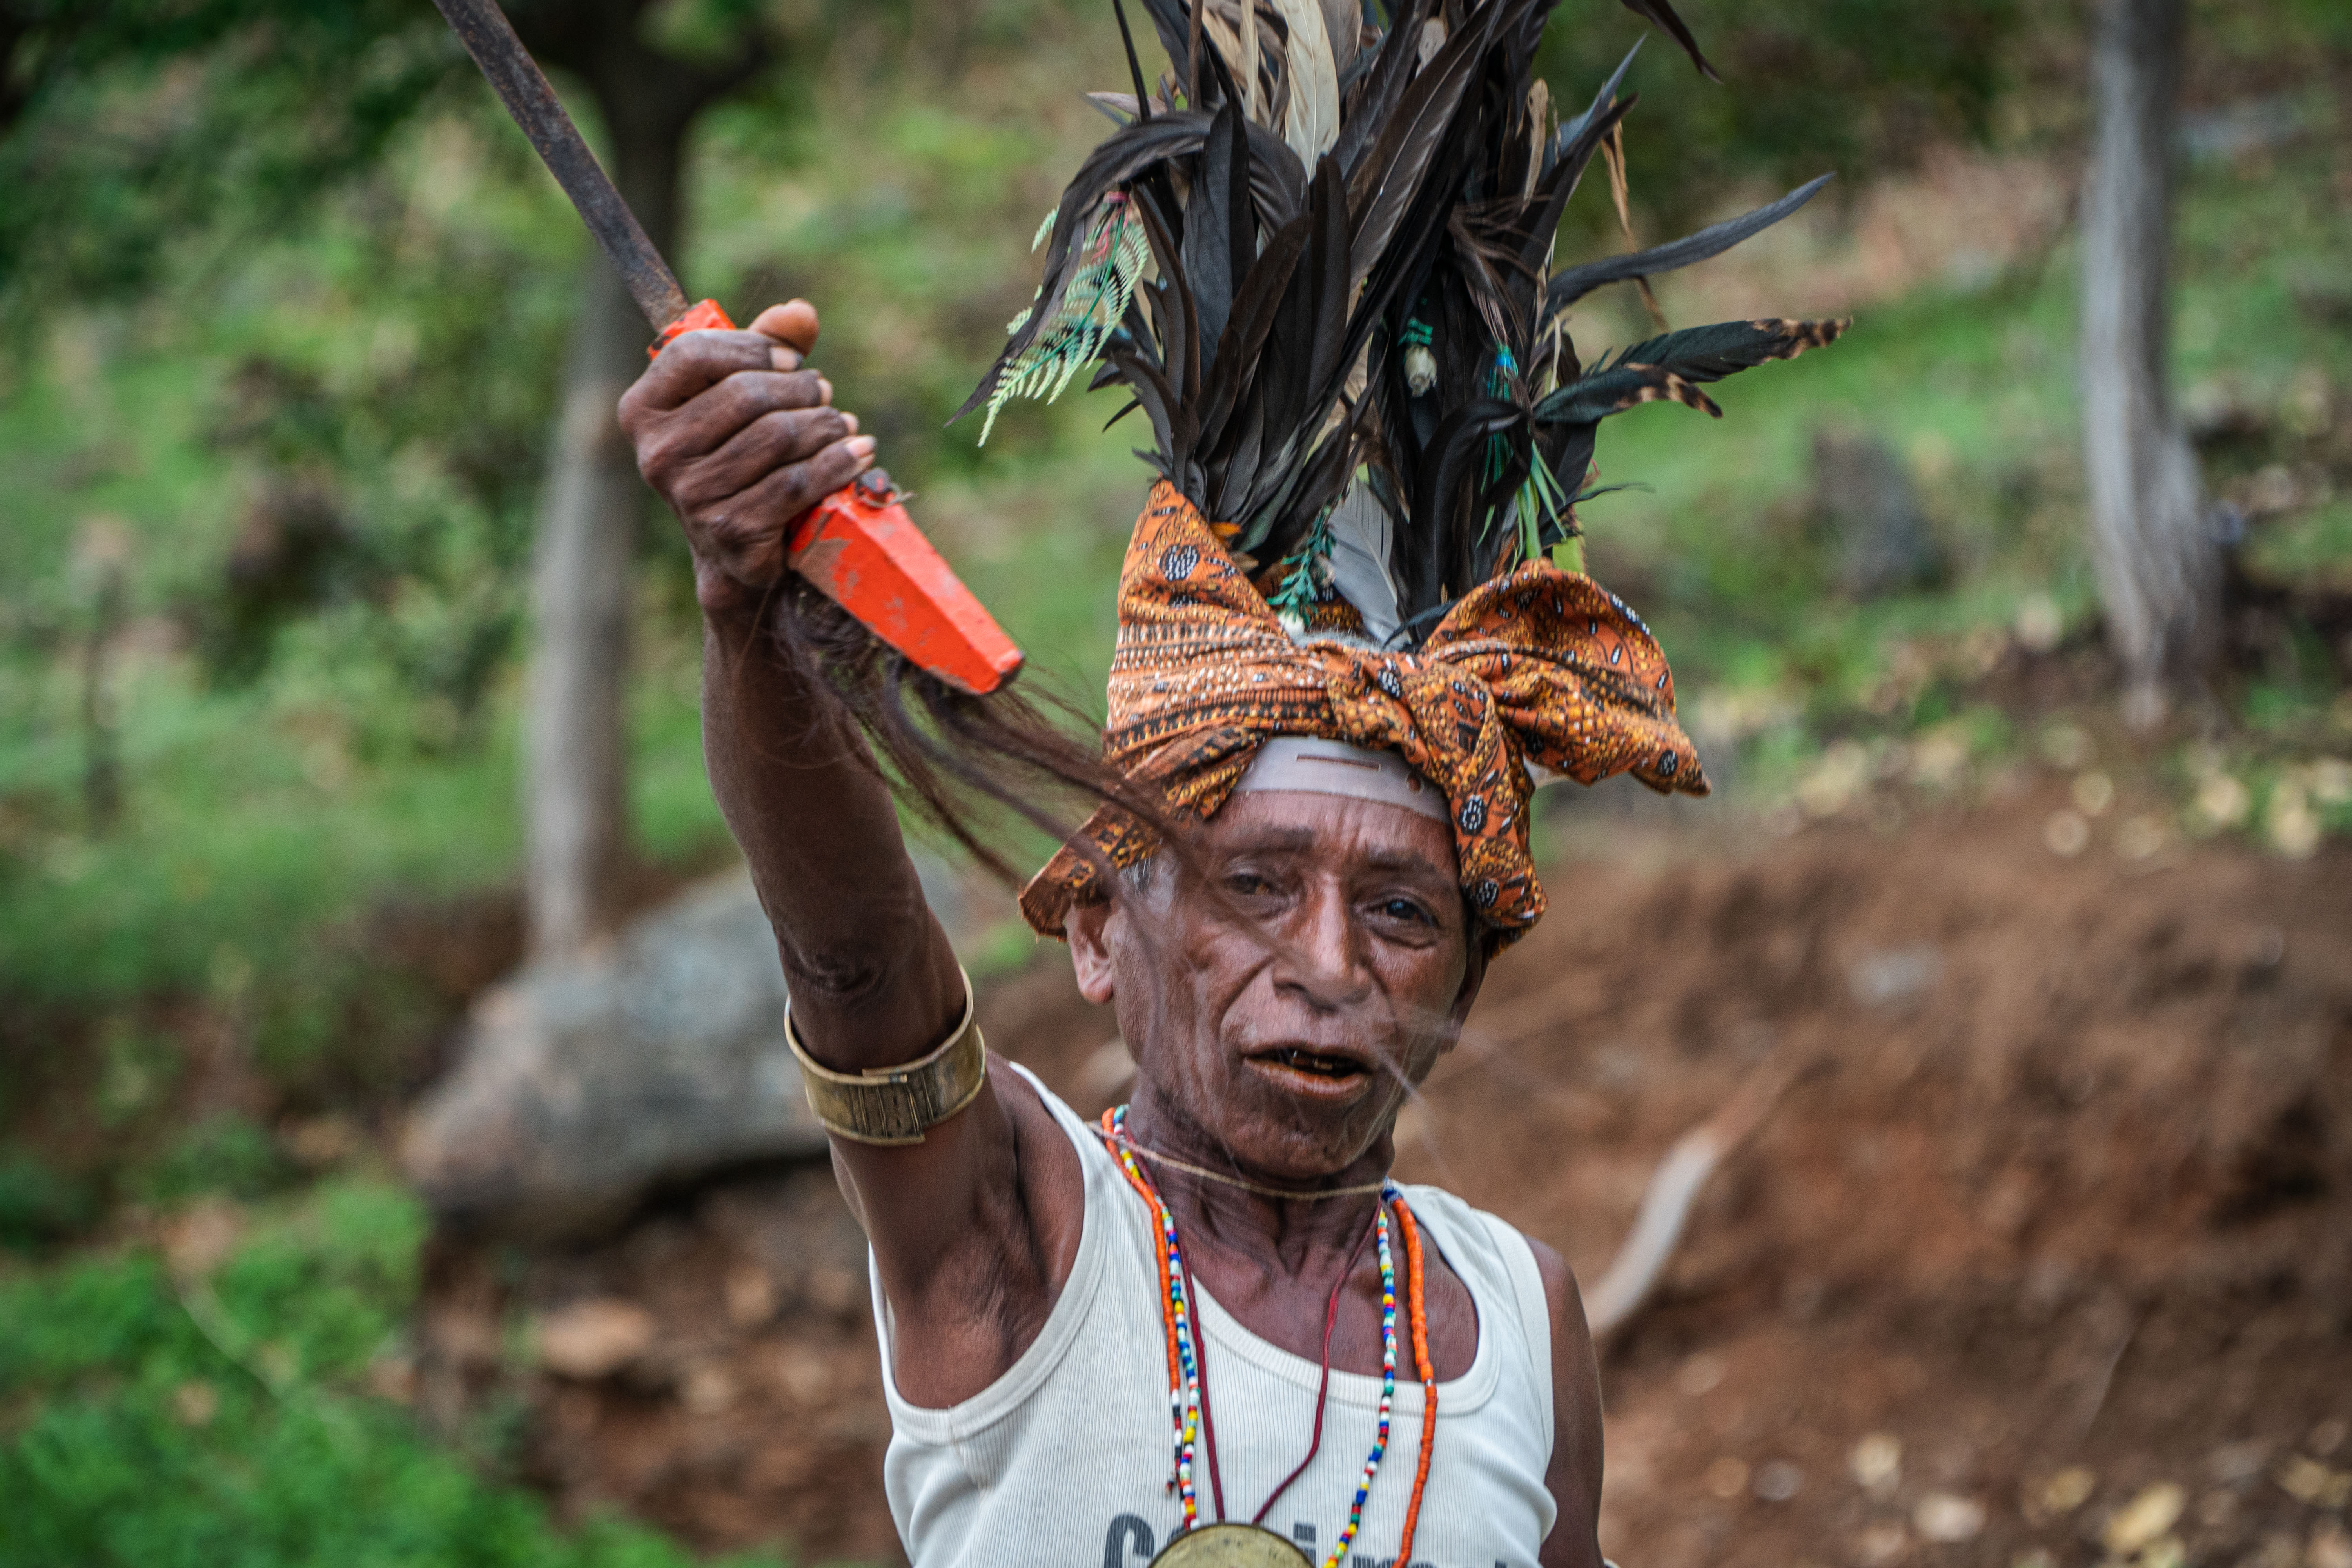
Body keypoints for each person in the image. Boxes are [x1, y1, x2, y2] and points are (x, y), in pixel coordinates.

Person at [617, 4, 1838, 1564]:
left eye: (1401, 907)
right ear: (1097, 931)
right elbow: (852, 959)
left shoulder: (1524, 1325)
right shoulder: (1018, 1234)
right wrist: (749, 604)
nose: (1328, 968)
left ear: (1469, 974)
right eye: (1251, 880)